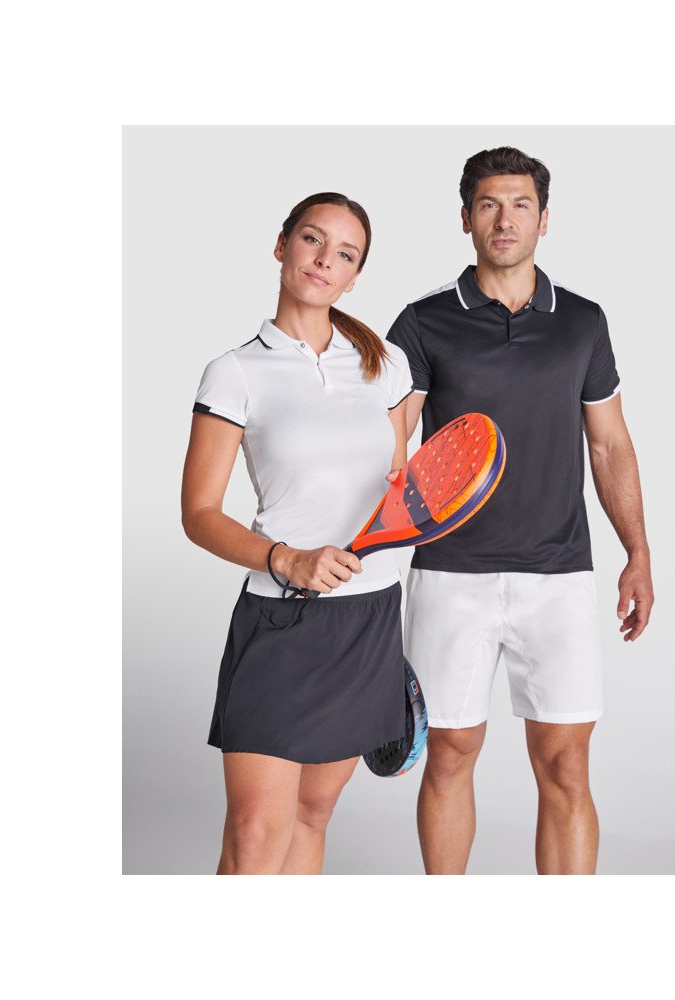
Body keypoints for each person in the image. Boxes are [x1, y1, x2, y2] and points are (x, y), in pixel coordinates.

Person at [386, 147, 654, 875]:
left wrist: (638, 553)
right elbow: (389, 440)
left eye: (520, 205)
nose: (505, 220)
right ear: (466, 218)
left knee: (566, 765)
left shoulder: (583, 322)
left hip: (558, 575)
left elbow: (610, 445)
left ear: (544, 218)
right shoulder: (422, 321)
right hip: (449, 572)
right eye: (489, 205)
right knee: (449, 753)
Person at [181, 192, 414, 875]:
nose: (324, 260)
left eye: (345, 254)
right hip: (282, 621)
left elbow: (400, 483)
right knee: (256, 835)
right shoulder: (235, 372)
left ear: (355, 276)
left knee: (313, 815)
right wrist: (287, 559)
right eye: (313, 240)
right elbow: (199, 513)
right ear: (282, 245)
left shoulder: (385, 364)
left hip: (369, 617)